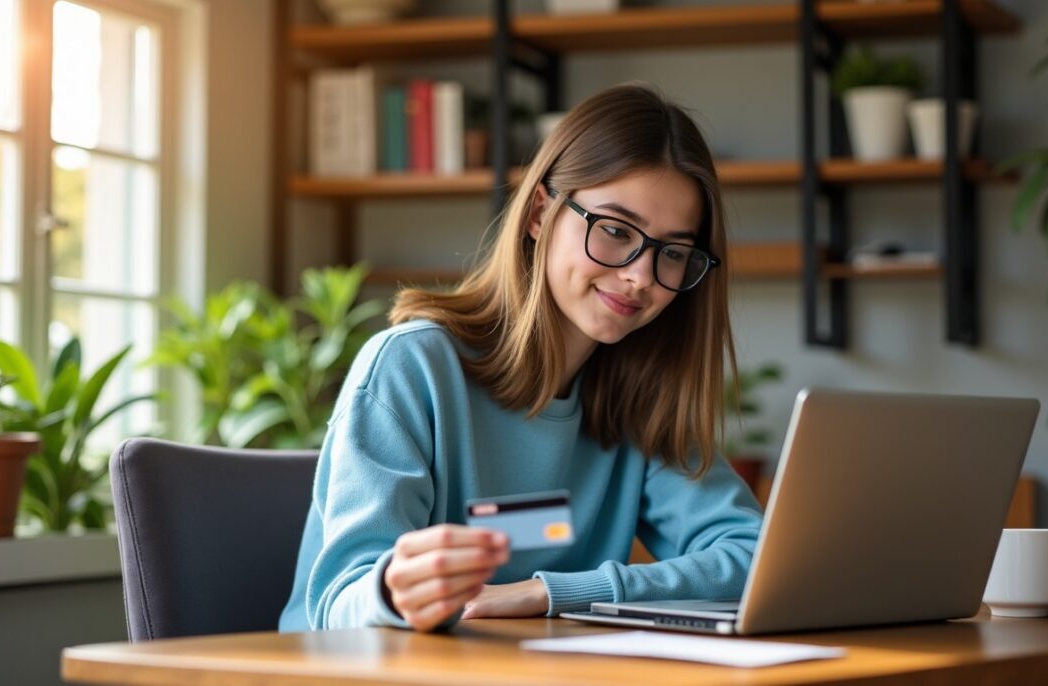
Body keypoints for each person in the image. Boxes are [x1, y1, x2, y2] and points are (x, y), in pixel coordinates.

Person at [279, 83, 763, 633]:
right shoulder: (412, 368)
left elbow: (751, 556)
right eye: (614, 230)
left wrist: (551, 593)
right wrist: (394, 592)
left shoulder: (637, 395)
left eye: (672, 253)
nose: (640, 276)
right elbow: (337, 602)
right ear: (540, 213)